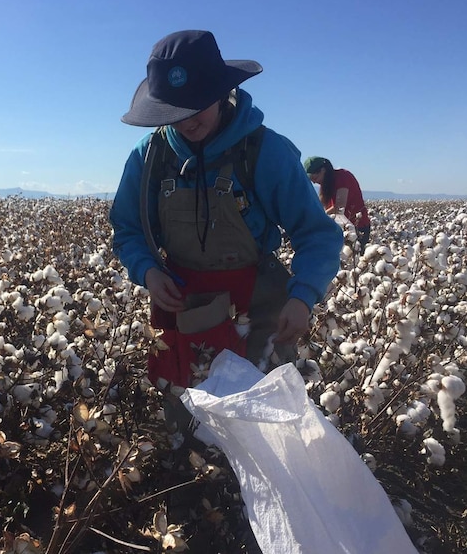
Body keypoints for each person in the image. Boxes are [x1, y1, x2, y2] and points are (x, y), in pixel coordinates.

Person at [110, 30, 343, 399]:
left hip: (258, 308)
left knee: (257, 418)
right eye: (175, 111)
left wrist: (302, 297)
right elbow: (127, 229)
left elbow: (318, 234)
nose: (186, 120)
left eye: (196, 104)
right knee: (188, 420)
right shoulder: (150, 156)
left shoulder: (264, 151)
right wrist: (148, 271)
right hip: (183, 308)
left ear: (221, 92)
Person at [304, 156, 371, 247]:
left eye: (315, 178)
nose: (314, 182)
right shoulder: (325, 183)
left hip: (357, 227)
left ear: (323, 170)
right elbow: (319, 205)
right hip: (339, 228)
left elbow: (339, 207)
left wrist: (317, 218)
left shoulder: (343, 177)